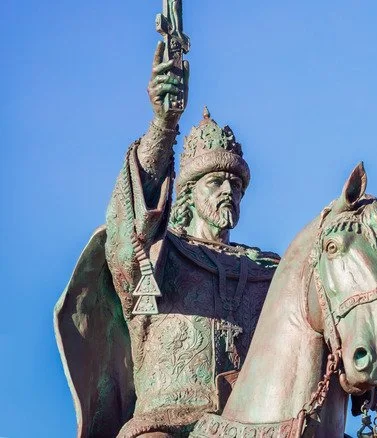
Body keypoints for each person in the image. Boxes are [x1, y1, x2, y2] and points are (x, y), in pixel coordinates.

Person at [55, 42, 279, 438]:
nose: (229, 189)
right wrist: (163, 125)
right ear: (189, 195)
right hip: (166, 426)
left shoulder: (266, 270)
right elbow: (129, 230)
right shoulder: (158, 253)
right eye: (216, 181)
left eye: (236, 184)